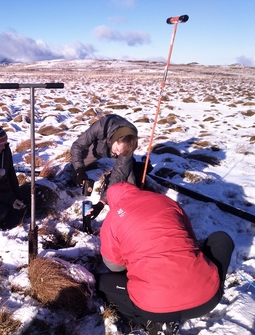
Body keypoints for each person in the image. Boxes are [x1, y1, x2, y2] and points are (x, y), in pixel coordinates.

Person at [97, 182, 235, 335]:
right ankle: (210, 280)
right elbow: (190, 237)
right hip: (207, 300)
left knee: (103, 284)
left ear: (112, 201)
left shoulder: (112, 219)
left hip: (154, 308)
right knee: (221, 238)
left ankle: (151, 324)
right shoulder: (165, 200)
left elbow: (114, 266)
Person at [70, 114, 138, 220]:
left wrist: (101, 203)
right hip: (96, 149)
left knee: (129, 182)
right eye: (118, 149)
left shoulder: (128, 145)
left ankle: (126, 212)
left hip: (113, 155)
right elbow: (77, 146)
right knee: (74, 167)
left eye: (122, 152)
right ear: (115, 139)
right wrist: (79, 169)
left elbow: (119, 174)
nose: (119, 153)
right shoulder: (102, 125)